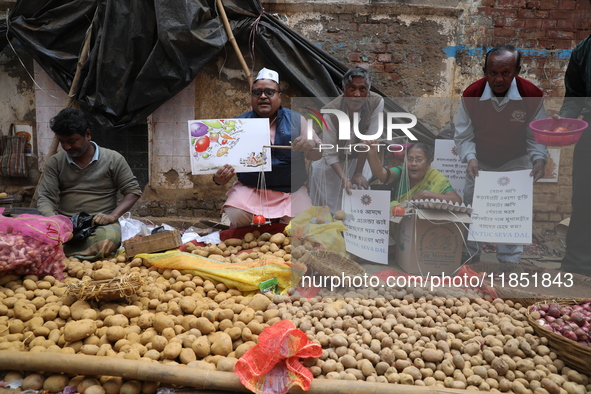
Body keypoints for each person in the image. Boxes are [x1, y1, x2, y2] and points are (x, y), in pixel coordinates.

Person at [454, 45, 548, 264]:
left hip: (515, 159)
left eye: (505, 73)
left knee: (512, 212)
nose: (498, 79)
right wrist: (470, 158)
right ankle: (471, 256)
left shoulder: (531, 95)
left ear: (517, 71)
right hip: (480, 160)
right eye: (492, 73)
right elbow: (463, 135)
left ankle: (509, 261)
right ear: (484, 70)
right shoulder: (471, 95)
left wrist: (539, 160)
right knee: (472, 208)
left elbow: (535, 136)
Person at [212, 68, 321, 228]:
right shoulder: (237, 125)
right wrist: (218, 179)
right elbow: (221, 167)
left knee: (301, 225)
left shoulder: (298, 121)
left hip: (290, 193)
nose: (263, 96)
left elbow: (317, 155)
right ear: (251, 97)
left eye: (269, 92)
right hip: (251, 190)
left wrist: (312, 145)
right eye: (257, 93)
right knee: (236, 214)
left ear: (279, 96)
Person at [37, 108, 142, 260]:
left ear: (87, 134)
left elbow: (133, 191)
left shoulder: (113, 159)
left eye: (72, 141)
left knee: (108, 240)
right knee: (29, 236)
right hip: (66, 224)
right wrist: (53, 220)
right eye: (62, 142)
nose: (67, 147)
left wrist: (112, 216)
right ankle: (77, 253)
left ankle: (61, 254)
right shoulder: (56, 162)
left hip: (100, 225)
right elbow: (45, 196)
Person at [309, 66, 384, 213]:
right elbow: (330, 153)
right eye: (351, 88)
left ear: (368, 90)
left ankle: (355, 233)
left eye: (362, 89)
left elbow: (368, 141)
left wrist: (357, 173)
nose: (356, 95)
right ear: (343, 89)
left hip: (358, 160)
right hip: (331, 163)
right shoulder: (331, 112)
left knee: (357, 205)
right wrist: (344, 178)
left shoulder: (376, 102)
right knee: (327, 208)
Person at [557, 35, 591, 276]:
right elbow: (574, 93)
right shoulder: (584, 49)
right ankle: (577, 268)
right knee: (584, 198)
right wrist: (566, 121)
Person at [367, 142, 462, 206]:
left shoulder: (435, 177)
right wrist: (372, 153)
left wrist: (427, 195)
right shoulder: (401, 172)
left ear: (428, 163)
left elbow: (457, 200)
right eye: (410, 159)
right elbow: (381, 173)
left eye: (419, 160)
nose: (413, 164)